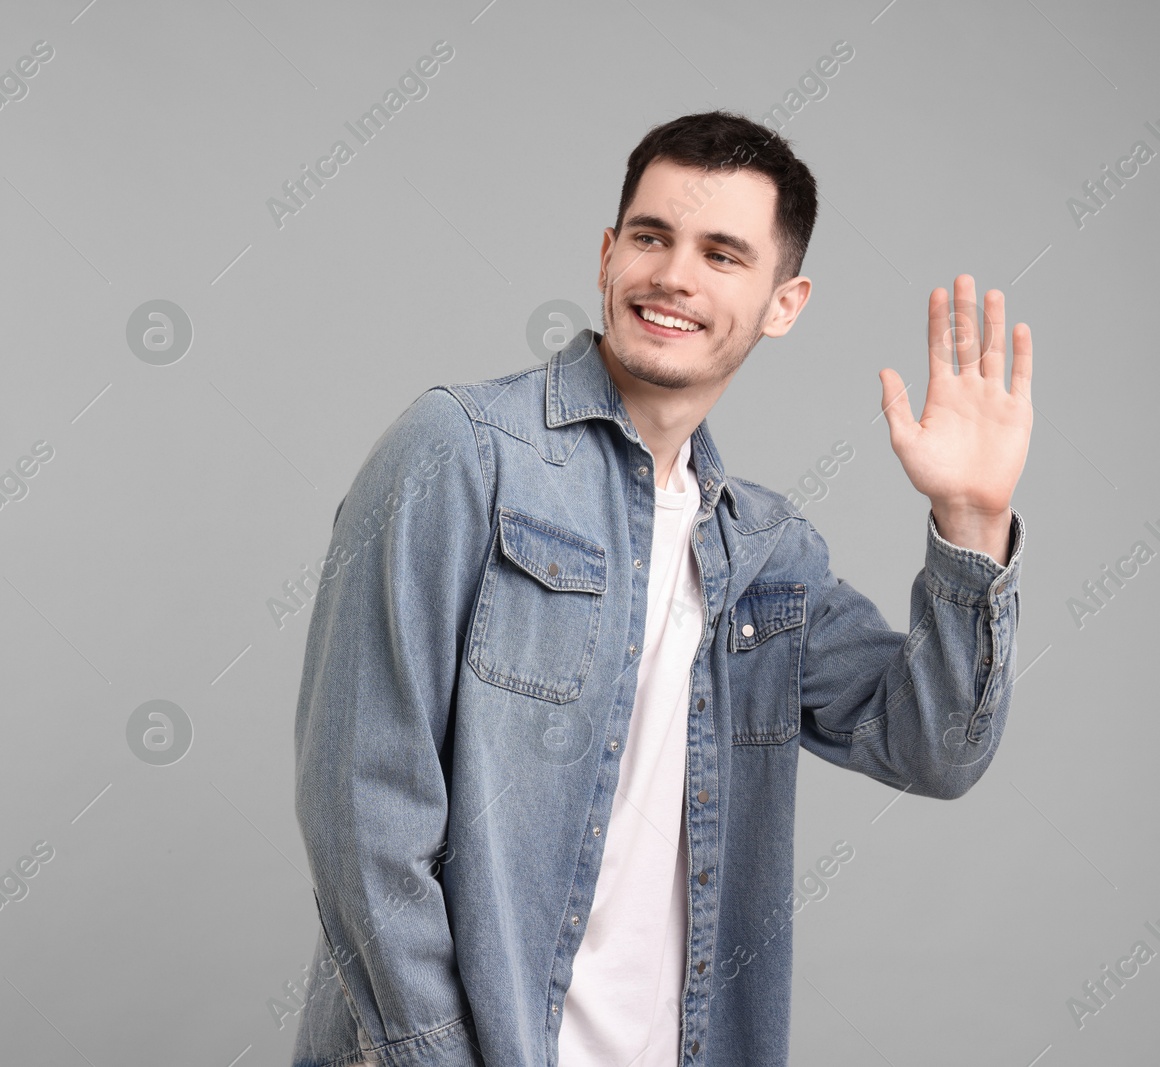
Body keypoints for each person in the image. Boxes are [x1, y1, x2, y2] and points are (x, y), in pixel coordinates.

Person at [288, 110, 1031, 1067]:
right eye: (651, 236)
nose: (674, 275)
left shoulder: (765, 552)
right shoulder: (463, 453)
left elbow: (934, 749)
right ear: (607, 254)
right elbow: (361, 810)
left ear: (783, 301)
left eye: (723, 254)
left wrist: (971, 521)